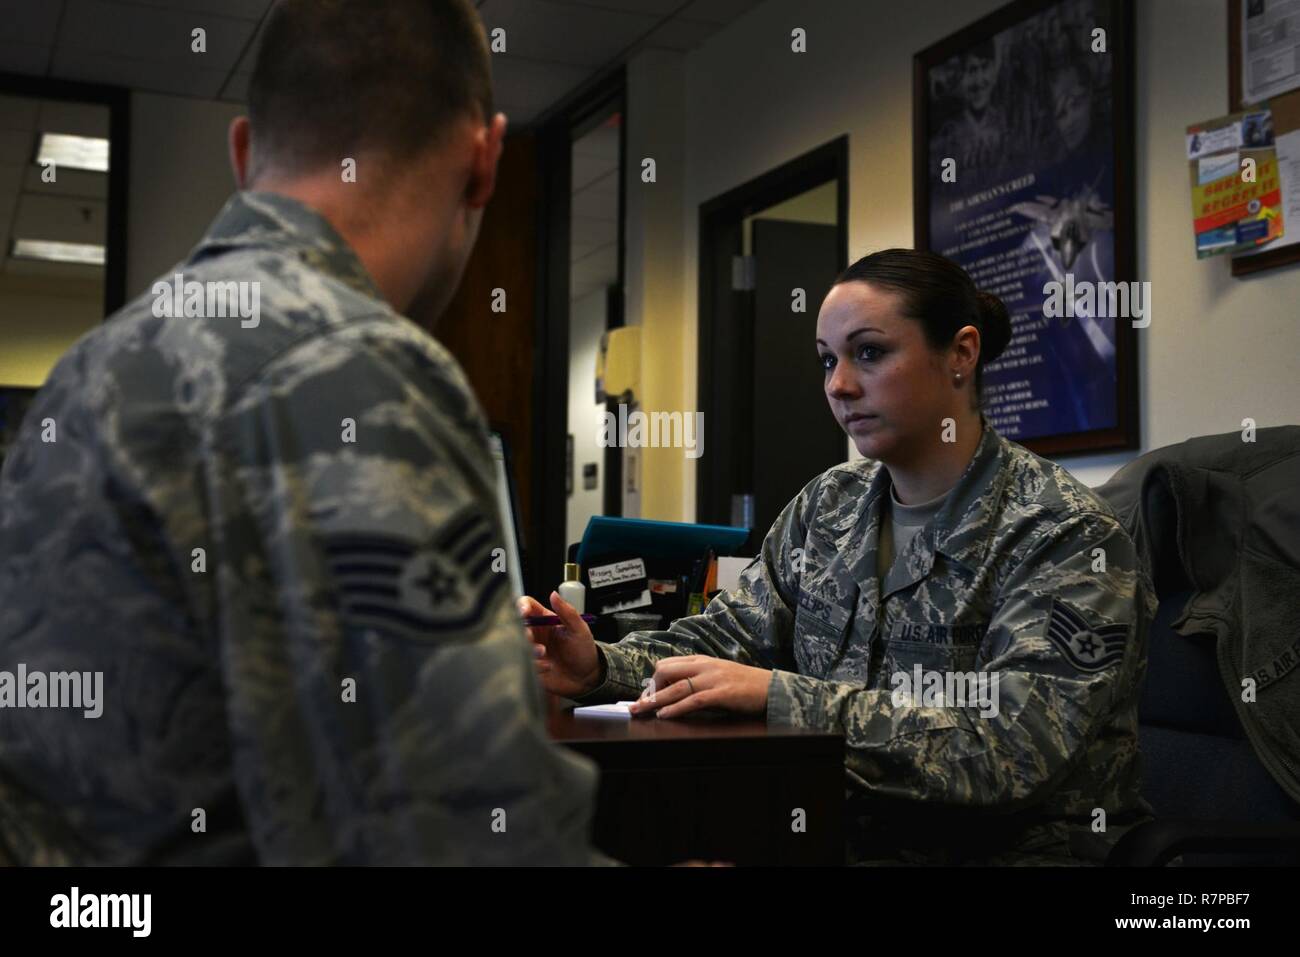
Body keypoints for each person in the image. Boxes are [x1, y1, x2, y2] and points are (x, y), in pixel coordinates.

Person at [0, 0, 602, 865]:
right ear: (484, 160)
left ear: (243, 153)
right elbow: (464, 840)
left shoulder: (85, 371)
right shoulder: (360, 366)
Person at [526, 248, 1156, 865]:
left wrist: (780, 697)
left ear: (961, 353)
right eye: (828, 360)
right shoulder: (829, 503)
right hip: (831, 835)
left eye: (870, 353)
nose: (840, 385)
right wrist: (596, 666)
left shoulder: (1062, 531)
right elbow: (727, 641)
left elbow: (1013, 752)